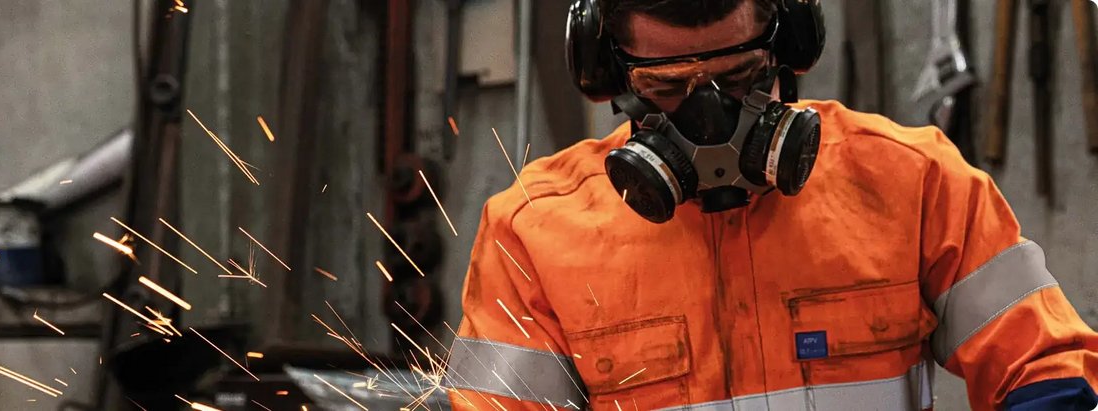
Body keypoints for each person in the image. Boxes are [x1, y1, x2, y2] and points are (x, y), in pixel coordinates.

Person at [444, 0, 1098, 410]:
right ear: (609, 76)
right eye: (667, 89)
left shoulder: (911, 181)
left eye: (737, 80)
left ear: (787, 51)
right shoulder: (533, 232)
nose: (708, 118)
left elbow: (1046, 366)